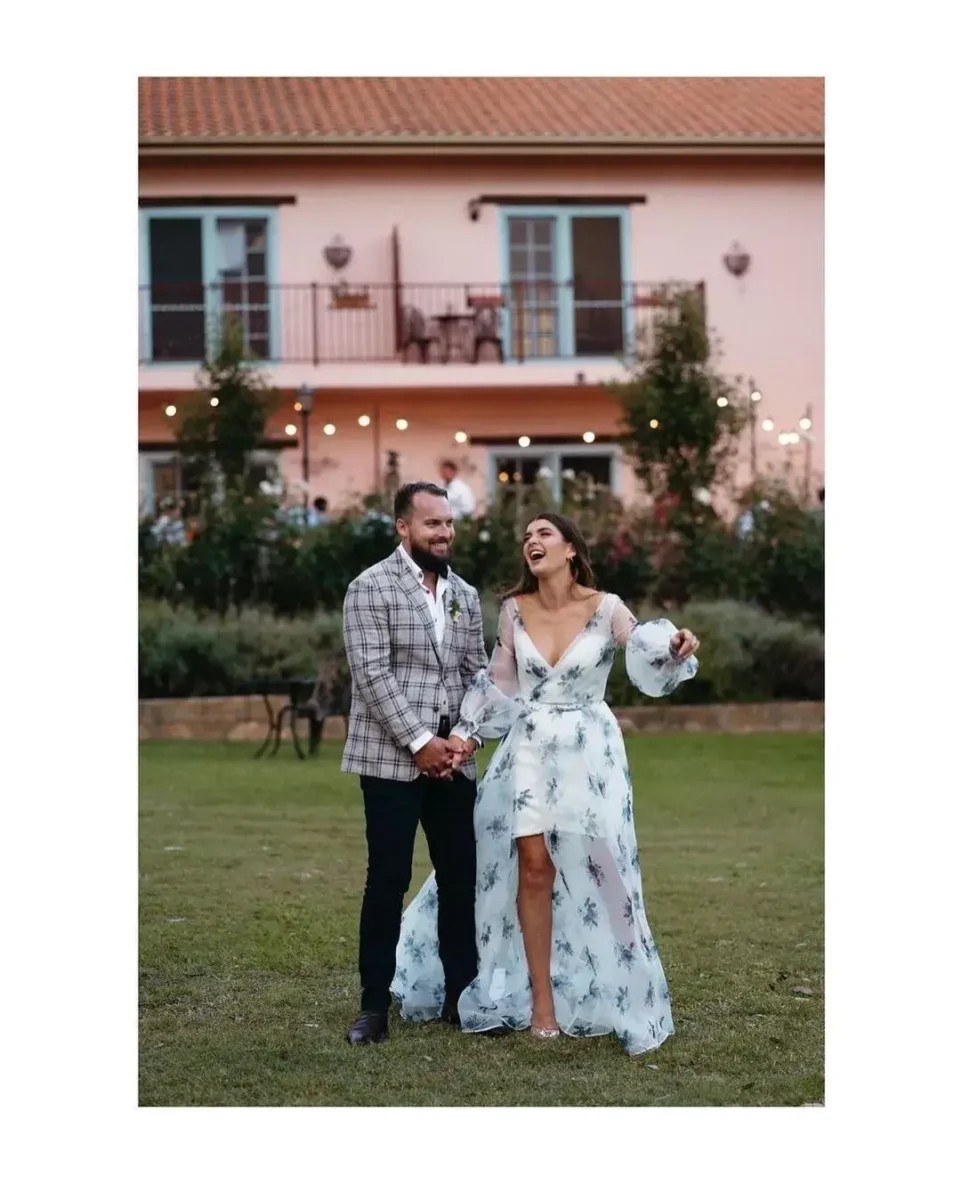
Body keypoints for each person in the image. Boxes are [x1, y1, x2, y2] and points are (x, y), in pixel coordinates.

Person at [391, 512, 700, 1055]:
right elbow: (498, 683)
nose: (532, 542)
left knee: (605, 868)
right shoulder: (514, 610)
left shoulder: (606, 608)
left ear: (571, 550)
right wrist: (465, 735)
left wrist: (673, 649)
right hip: (530, 746)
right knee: (533, 866)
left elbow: (645, 652)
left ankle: (631, 991)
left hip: (590, 751)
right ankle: (542, 1006)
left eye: (544, 534)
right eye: (526, 537)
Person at [340, 482, 491, 1046]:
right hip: (389, 761)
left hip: (454, 763)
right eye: (433, 525)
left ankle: (462, 997)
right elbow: (372, 675)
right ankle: (373, 1008)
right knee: (387, 881)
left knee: (460, 881)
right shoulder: (369, 588)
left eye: (449, 524)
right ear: (403, 527)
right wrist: (422, 742)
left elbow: (478, 673)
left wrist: (464, 740)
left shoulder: (466, 595)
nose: (445, 534)